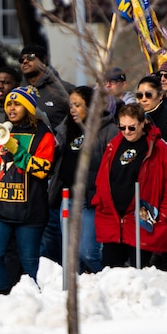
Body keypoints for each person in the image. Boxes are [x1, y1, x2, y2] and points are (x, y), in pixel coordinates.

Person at [0, 86, 57, 292]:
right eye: (8, 104)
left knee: (29, 261)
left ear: (29, 108)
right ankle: (3, 297)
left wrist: (16, 149)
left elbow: (42, 170)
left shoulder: (43, 135)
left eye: (17, 104)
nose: (11, 108)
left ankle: (35, 299)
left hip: (30, 211)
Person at [91, 102, 167, 269]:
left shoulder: (158, 148)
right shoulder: (113, 145)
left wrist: (163, 216)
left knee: (141, 277)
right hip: (113, 221)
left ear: (142, 124)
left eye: (131, 128)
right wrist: (101, 203)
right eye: (122, 127)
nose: (126, 132)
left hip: (143, 223)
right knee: (110, 276)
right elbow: (102, 180)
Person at [52, 85, 104, 274]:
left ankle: (108, 282)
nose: (72, 109)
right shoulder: (66, 129)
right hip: (68, 198)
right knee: (71, 258)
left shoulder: (103, 129)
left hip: (90, 200)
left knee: (88, 253)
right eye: (71, 105)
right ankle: (80, 296)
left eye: (78, 105)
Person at [17, 45, 72, 128]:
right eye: (21, 59)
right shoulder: (18, 92)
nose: (25, 61)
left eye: (30, 57)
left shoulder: (65, 89)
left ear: (43, 61)